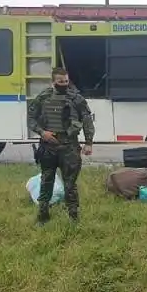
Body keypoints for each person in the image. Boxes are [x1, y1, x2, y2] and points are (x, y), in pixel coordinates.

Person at [27, 67, 95, 226]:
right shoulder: (43, 97)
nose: (64, 84)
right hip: (48, 147)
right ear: (53, 82)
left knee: (70, 184)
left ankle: (73, 217)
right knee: (46, 181)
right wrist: (42, 132)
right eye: (60, 82)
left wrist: (89, 143)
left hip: (69, 147)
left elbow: (87, 121)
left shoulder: (76, 99)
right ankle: (43, 216)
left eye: (66, 81)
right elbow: (31, 118)